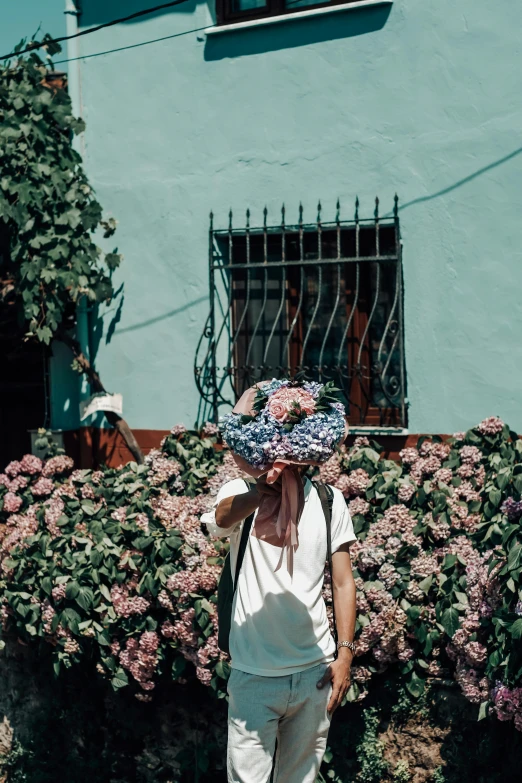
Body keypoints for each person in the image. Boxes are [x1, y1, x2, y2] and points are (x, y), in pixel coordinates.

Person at [201, 470, 357, 783]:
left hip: (315, 673)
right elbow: (218, 522)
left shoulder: (329, 500)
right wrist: (260, 492)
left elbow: (343, 582)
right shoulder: (242, 490)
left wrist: (345, 655)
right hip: (254, 674)